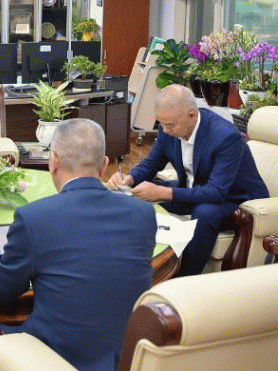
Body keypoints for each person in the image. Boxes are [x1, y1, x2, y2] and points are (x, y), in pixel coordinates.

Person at [0, 119, 156, 371]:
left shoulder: (33, 217)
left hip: (55, 359)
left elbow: (1, 295)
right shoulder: (143, 214)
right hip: (124, 359)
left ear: (53, 161)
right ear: (104, 165)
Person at [107, 84, 268, 276]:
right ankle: (129, 258)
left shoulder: (226, 137)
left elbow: (215, 192)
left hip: (235, 199)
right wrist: (129, 179)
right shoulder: (169, 127)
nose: (165, 130)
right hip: (197, 188)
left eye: (170, 125)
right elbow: (151, 165)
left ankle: (184, 277)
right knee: (139, 190)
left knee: (204, 212)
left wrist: (163, 193)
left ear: (191, 115)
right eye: (161, 123)